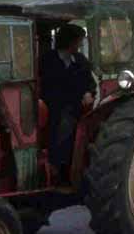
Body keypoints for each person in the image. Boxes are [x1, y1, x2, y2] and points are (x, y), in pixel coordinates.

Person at [40, 24, 96, 182]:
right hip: (52, 107)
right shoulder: (48, 60)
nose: (80, 45)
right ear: (70, 42)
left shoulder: (80, 60)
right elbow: (47, 86)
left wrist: (88, 93)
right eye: (78, 41)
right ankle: (56, 166)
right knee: (63, 125)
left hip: (76, 108)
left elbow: (90, 83)